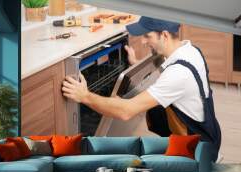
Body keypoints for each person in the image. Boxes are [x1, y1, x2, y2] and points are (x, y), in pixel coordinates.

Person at [62, 16, 221, 162]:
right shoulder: (190, 51)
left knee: (130, 163)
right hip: (207, 137)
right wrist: (136, 63)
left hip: (196, 150)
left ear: (164, 35)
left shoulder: (178, 74)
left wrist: (84, 96)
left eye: (147, 36)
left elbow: (126, 112)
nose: (143, 41)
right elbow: (162, 70)